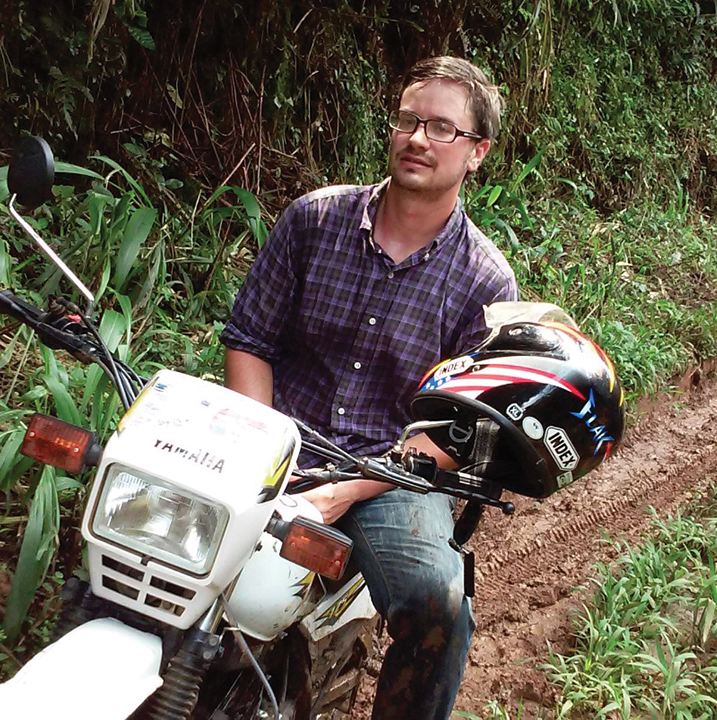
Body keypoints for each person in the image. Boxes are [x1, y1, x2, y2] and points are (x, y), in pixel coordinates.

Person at [220, 56, 516, 719]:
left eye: (443, 128)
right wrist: (258, 451)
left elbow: (456, 429)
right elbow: (250, 338)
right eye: (409, 120)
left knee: (440, 603)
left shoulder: (485, 282)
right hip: (279, 437)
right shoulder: (314, 220)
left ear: (477, 152)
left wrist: (343, 491)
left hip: (389, 475)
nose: (418, 139)